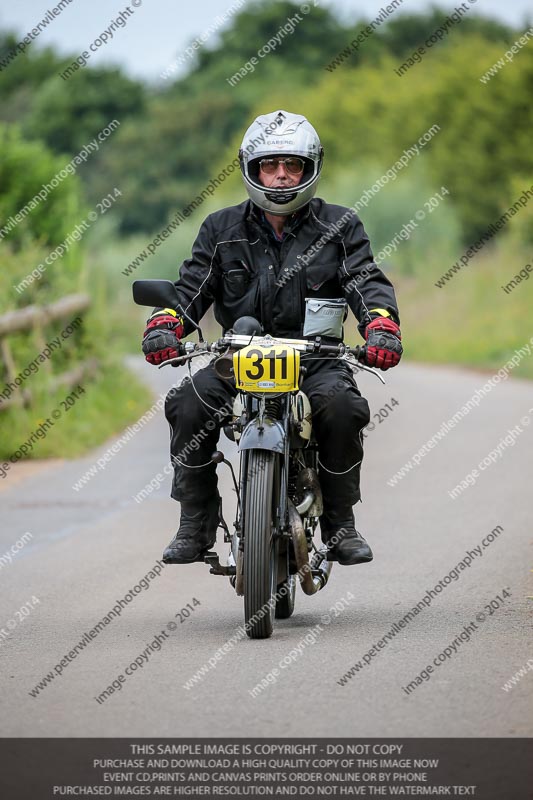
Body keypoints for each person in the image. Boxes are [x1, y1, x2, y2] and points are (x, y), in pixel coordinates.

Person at [141, 110, 402, 566]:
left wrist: (381, 324)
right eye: (269, 165)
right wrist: (165, 324)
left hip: (316, 358)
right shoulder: (220, 230)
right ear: (250, 168)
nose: (281, 176)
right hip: (237, 357)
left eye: (292, 165)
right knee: (186, 403)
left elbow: (365, 281)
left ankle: (340, 523)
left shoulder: (340, 227)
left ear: (311, 167)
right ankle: (195, 521)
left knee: (343, 409)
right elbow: (190, 290)